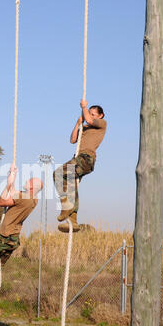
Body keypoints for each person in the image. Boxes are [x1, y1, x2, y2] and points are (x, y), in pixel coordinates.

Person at [0, 164, 43, 320]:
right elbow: (12, 193)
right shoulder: (33, 199)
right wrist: (11, 178)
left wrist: (10, 183)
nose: (27, 181)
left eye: (29, 181)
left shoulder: (24, 197)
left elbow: (2, 201)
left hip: (4, 237)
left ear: (32, 187)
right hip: (13, 239)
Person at [53, 99, 107, 233]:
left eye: (93, 114)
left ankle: (67, 206)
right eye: (90, 113)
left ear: (100, 116)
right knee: (71, 184)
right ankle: (73, 220)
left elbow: (89, 120)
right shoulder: (85, 127)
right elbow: (72, 140)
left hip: (86, 158)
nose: (90, 115)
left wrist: (84, 107)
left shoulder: (101, 123)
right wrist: (78, 124)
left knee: (59, 173)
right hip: (77, 157)